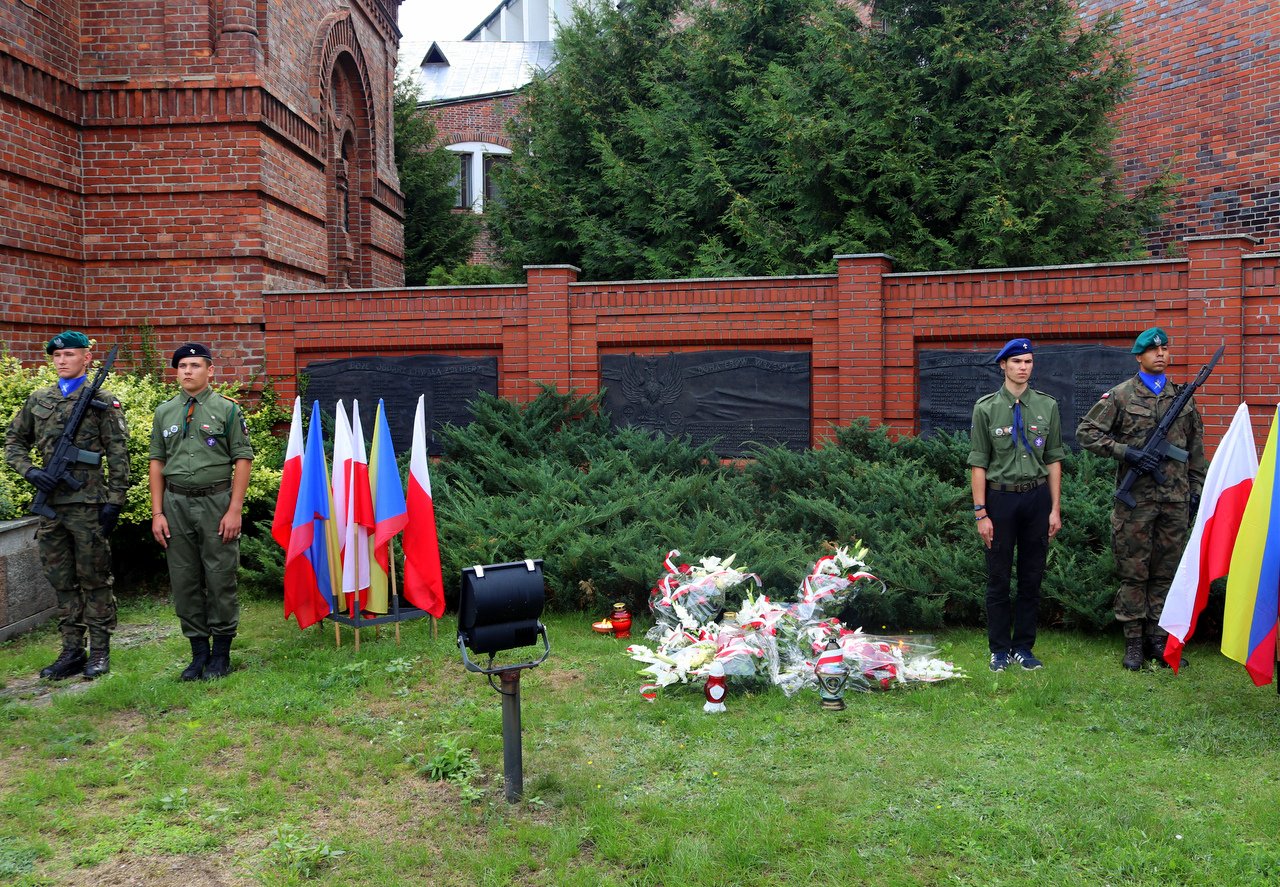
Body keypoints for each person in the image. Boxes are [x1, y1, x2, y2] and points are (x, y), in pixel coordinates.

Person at [1076, 327, 1206, 671]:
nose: (1160, 354)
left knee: (1165, 573)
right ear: (1139, 357)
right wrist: (1126, 453)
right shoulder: (1121, 395)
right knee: (1134, 572)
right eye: (1153, 350)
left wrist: (1196, 491)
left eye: (1165, 349)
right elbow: (1086, 433)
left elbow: (1196, 451)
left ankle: (1158, 640)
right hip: (1136, 501)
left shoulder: (1184, 397)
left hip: (1175, 500)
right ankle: (1134, 643)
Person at [4, 331, 129, 680]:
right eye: (56, 356)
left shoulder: (102, 401)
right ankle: (72, 649)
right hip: (52, 507)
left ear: (87, 358)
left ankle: (100, 651)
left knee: (94, 578)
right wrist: (31, 472)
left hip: (88, 506)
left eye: (69, 355)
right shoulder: (38, 400)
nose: (61, 361)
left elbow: (119, 454)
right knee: (61, 580)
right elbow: (13, 441)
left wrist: (114, 502)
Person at [149, 343, 253, 680]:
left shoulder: (227, 410)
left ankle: (221, 654)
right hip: (175, 504)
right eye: (182, 366)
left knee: (220, 576)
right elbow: (157, 462)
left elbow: (242, 458)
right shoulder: (164, 412)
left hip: (216, 502)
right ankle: (197, 654)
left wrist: (234, 509)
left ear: (210, 371)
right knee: (184, 579)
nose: (187, 371)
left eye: (195, 365)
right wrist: (157, 512)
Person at [967, 338, 1065, 672]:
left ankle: (1023, 647)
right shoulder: (986, 408)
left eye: (1028, 362)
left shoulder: (1047, 406)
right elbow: (978, 463)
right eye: (1017, 362)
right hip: (1001, 499)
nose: (1023, 367)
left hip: (1036, 498)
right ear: (1003, 366)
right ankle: (999, 649)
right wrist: (981, 512)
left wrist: (1054, 508)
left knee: (1031, 577)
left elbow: (1053, 460)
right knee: (998, 577)